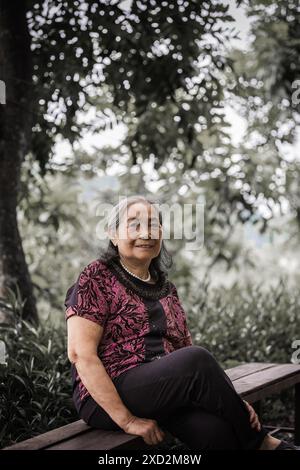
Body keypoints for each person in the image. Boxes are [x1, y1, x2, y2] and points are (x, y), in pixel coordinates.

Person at [64, 195, 298, 450]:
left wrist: (233, 404)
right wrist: (129, 421)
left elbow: (183, 353)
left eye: (153, 225)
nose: (146, 233)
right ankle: (264, 443)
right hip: (106, 396)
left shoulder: (166, 289)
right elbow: (80, 354)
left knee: (217, 434)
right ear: (113, 234)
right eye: (134, 224)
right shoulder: (96, 277)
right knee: (197, 359)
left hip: (163, 390)